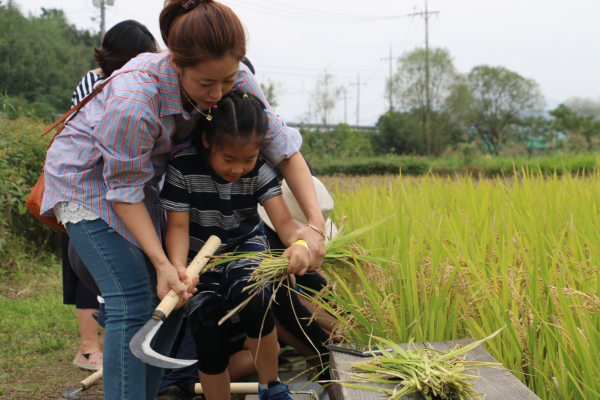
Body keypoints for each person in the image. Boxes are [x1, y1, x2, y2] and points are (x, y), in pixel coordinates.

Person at [40, 1, 327, 398]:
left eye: (226, 81)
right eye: (206, 83)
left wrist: (313, 226)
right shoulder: (133, 101)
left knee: (177, 295)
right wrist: (161, 262)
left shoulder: (233, 75)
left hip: (144, 185)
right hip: (88, 185)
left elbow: (283, 148)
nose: (219, 93)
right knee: (133, 297)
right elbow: (122, 191)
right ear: (175, 62)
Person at [159, 89, 308, 400]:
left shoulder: (260, 169)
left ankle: (272, 387)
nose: (238, 168)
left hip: (245, 248)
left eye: (248, 159)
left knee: (252, 293)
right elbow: (177, 225)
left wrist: (300, 243)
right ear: (207, 141)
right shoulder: (182, 168)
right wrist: (176, 266)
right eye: (229, 159)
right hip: (199, 261)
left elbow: (283, 222)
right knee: (210, 336)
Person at [62, 19, 158, 371]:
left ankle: (90, 347)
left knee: (106, 282)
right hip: (101, 192)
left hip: (76, 190)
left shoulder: (91, 80)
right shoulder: (124, 89)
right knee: (124, 297)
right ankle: (92, 346)